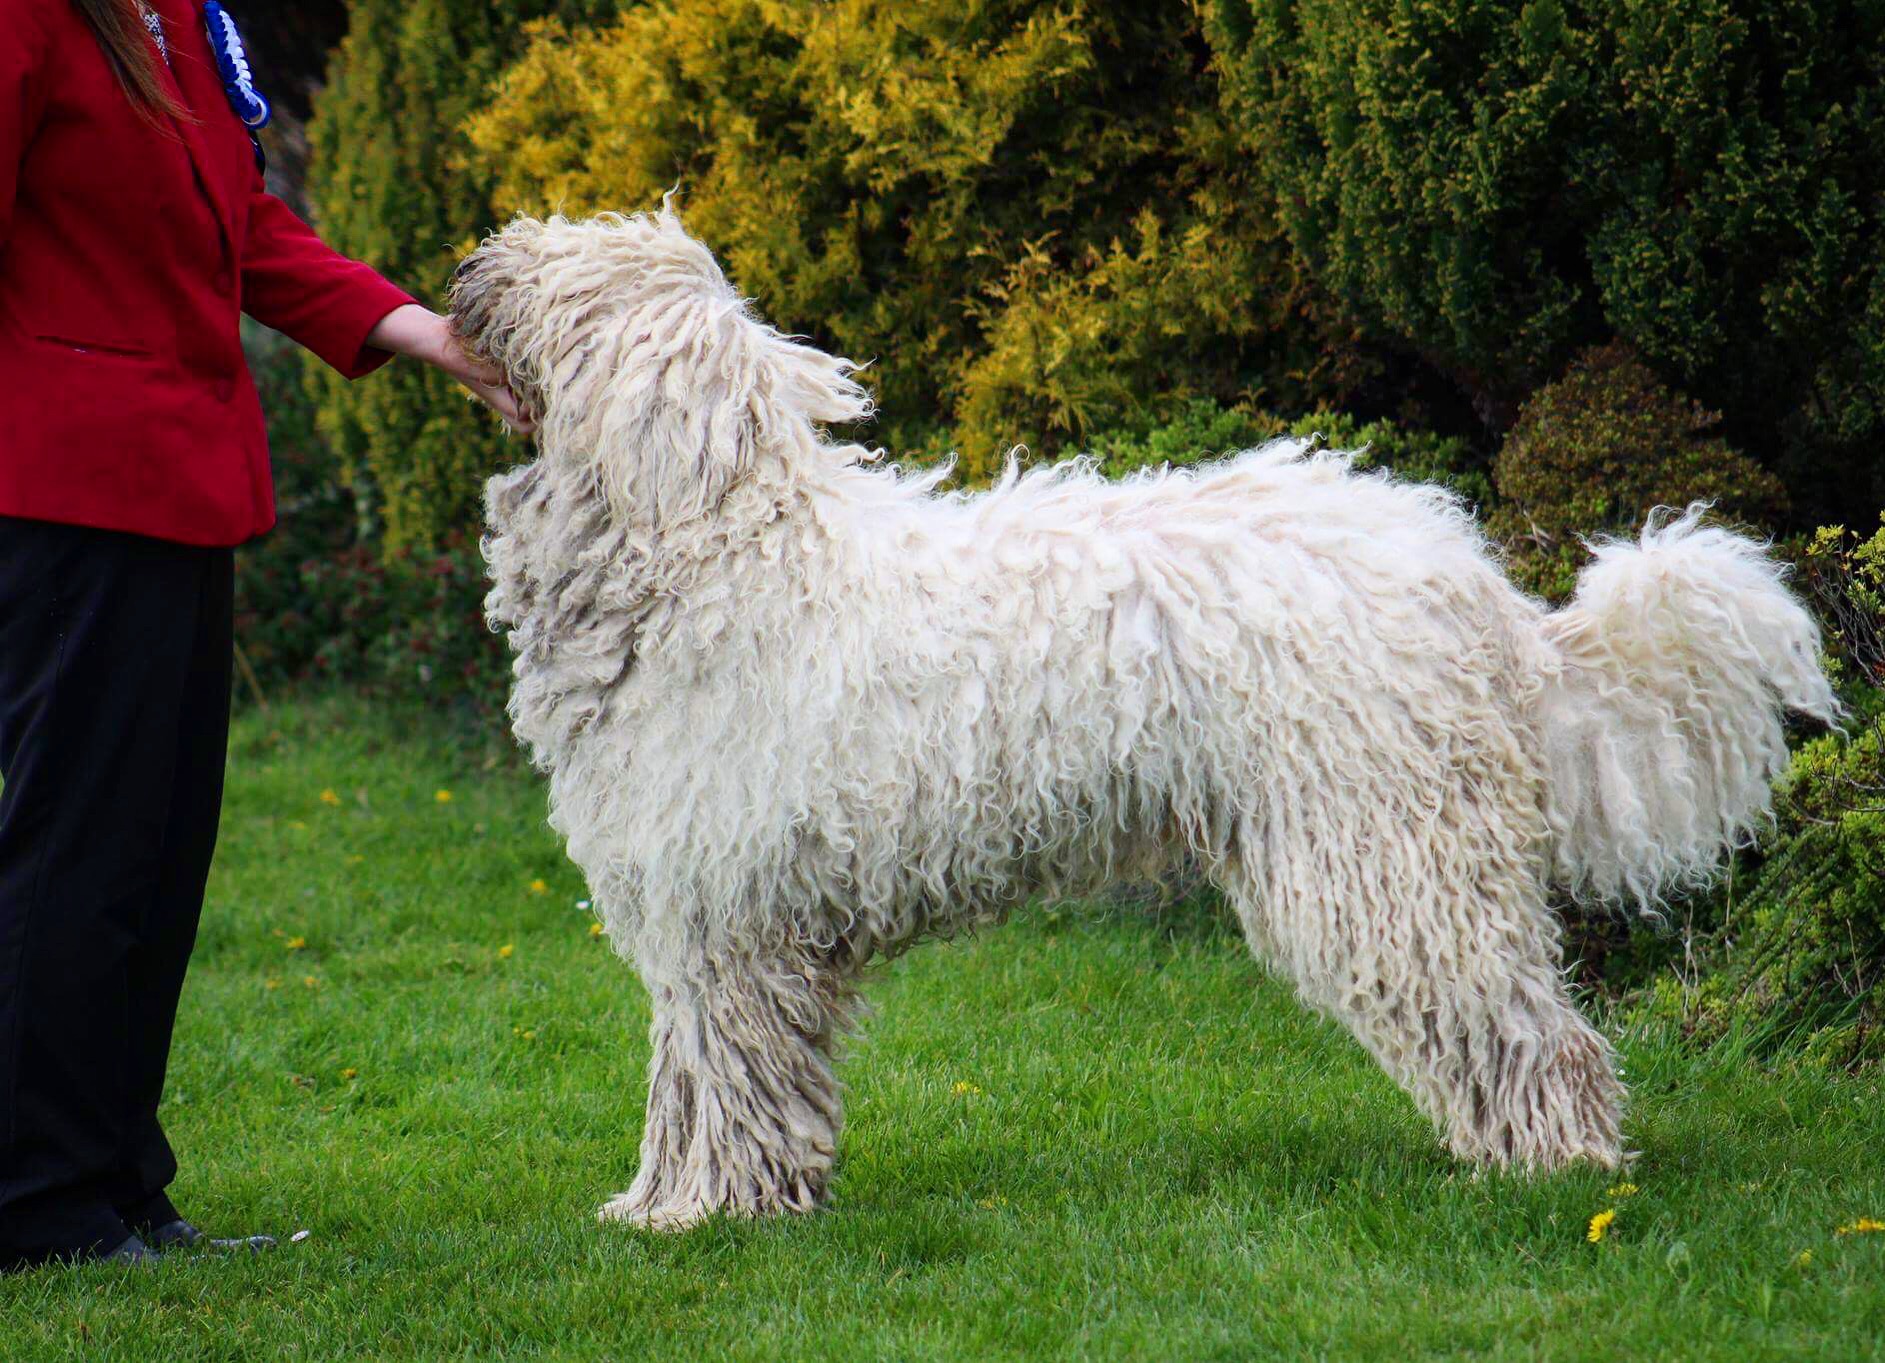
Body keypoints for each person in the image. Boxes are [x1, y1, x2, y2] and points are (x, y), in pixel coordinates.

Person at [0, 0, 525, 1269]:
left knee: (155, 857)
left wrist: (431, 337)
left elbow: (246, 228)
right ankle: (35, 1201)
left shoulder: (177, 14)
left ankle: (118, 1183)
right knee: (76, 852)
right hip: (65, 494)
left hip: (183, 483)